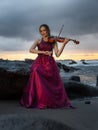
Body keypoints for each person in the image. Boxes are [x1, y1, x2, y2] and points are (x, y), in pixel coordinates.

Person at [20, 24, 73, 109]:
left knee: (53, 81)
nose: (42, 32)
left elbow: (57, 54)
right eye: (41, 31)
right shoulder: (38, 40)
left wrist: (64, 44)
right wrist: (43, 52)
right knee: (36, 70)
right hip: (40, 61)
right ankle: (40, 100)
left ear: (47, 30)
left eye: (44, 30)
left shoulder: (53, 41)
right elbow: (31, 50)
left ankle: (48, 100)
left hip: (50, 63)